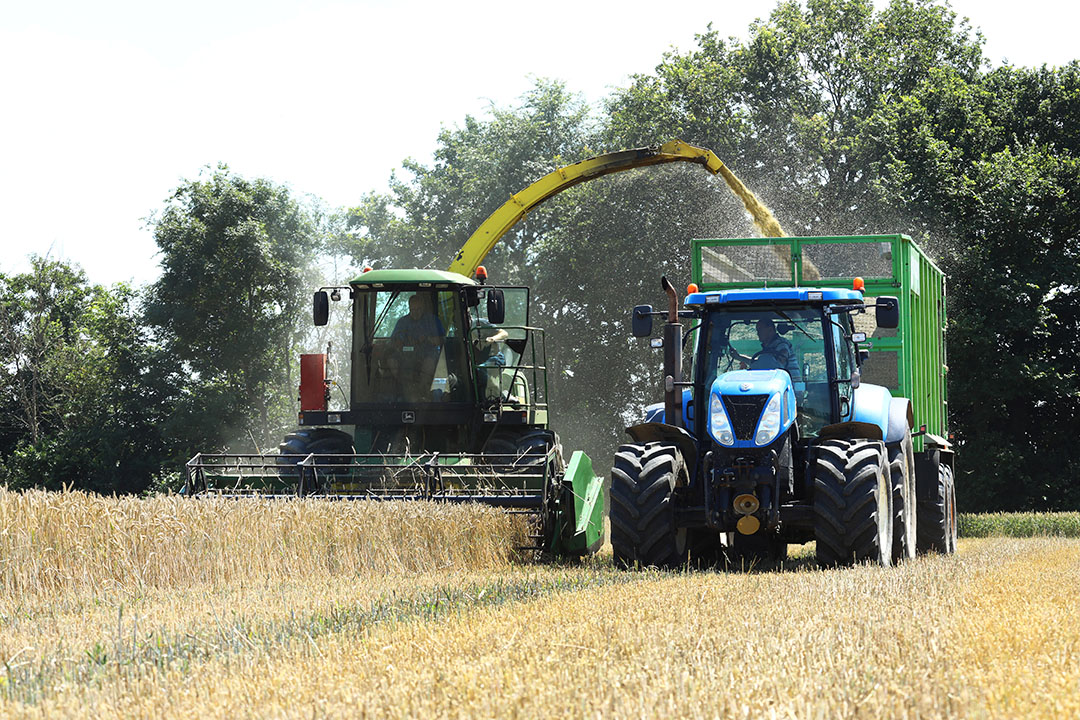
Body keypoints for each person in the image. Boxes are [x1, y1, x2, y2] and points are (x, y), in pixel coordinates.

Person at [388, 293, 446, 401]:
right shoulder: (402, 322)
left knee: (429, 362)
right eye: (412, 310)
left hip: (427, 353)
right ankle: (402, 387)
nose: (415, 313)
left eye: (418, 309)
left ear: (423, 307)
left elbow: (442, 340)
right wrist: (400, 343)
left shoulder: (432, 321)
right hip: (406, 354)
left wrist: (427, 338)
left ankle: (422, 390)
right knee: (392, 360)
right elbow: (394, 341)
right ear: (409, 308)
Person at [729, 318, 802, 381]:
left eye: (760, 330)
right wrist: (738, 357)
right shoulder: (769, 347)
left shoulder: (781, 344)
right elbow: (761, 362)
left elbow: (776, 364)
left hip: (789, 387)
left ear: (770, 329)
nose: (758, 333)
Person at [472, 316, 510, 402]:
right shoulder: (457, 329)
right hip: (479, 362)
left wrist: (493, 339)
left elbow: (504, 333)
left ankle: (501, 395)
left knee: (479, 370)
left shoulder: (480, 323)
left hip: (495, 358)